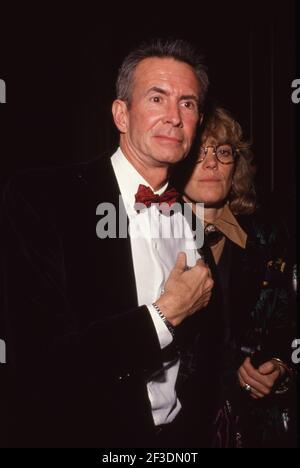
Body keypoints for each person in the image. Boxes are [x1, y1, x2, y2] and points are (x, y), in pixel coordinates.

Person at [2, 39, 222, 448]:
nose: (174, 117)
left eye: (188, 104)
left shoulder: (190, 219)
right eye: (157, 98)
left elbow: (204, 355)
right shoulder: (44, 199)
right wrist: (164, 315)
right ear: (122, 114)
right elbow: (39, 364)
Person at [179, 106, 296, 447]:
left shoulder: (273, 236)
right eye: (199, 151)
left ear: (236, 168)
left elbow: (288, 324)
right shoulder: (150, 235)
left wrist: (280, 366)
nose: (212, 162)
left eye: (223, 152)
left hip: (254, 429)